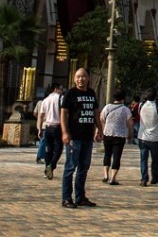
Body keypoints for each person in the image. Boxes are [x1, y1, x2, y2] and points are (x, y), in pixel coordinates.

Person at [60, 68, 102, 209]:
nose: (81, 79)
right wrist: (65, 132)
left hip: (87, 137)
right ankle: (66, 198)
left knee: (84, 168)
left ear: (88, 78)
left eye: (83, 77)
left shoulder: (91, 93)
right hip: (74, 137)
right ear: (74, 79)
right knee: (70, 167)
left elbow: (96, 112)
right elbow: (64, 113)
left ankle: (80, 197)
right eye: (78, 77)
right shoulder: (70, 94)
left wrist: (99, 129)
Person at [99, 89, 134, 185]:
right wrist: (130, 133)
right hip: (120, 135)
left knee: (107, 154)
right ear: (123, 98)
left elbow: (101, 118)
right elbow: (130, 122)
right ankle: (113, 178)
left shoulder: (107, 107)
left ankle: (106, 175)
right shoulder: (126, 109)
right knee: (117, 156)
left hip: (107, 133)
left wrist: (103, 128)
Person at [137, 88, 158, 186]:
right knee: (155, 159)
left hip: (142, 137)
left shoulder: (141, 105)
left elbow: (139, 116)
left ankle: (144, 179)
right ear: (156, 96)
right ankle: (155, 177)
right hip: (155, 137)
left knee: (143, 159)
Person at [37, 83, 63, 180]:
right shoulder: (60, 98)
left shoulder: (45, 100)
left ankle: (47, 168)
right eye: (61, 89)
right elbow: (64, 113)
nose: (62, 91)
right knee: (58, 149)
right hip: (57, 127)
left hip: (47, 127)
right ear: (56, 89)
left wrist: (40, 129)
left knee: (49, 150)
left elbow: (40, 116)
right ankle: (51, 166)